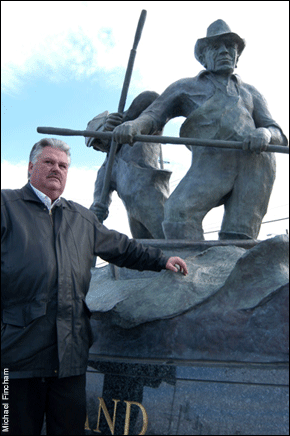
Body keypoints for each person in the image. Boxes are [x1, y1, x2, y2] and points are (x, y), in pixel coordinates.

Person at [1, 138, 187, 435]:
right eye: (48, 162)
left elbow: (123, 248)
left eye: (62, 165)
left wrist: (161, 260)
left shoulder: (82, 218)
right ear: (30, 167)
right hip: (17, 358)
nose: (56, 170)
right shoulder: (6, 207)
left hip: (70, 359)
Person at [113, 20, 288, 240]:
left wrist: (265, 134)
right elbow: (154, 115)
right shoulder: (185, 87)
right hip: (211, 163)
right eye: (216, 47)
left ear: (237, 56)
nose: (224, 51)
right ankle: (190, 270)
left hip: (255, 165)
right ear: (203, 57)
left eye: (230, 46)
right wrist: (133, 125)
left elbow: (278, 134)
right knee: (177, 215)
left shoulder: (252, 93)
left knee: (240, 239)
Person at [85, 91, 171, 239]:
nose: (98, 148)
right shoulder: (106, 168)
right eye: (95, 146)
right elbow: (100, 201)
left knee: (172, 243)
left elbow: (152, 99)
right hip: (133, 213)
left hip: (155, 202)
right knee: (145, 254)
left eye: (98, 140)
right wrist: (96, 211)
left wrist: (125, 118)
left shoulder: (136, 134)